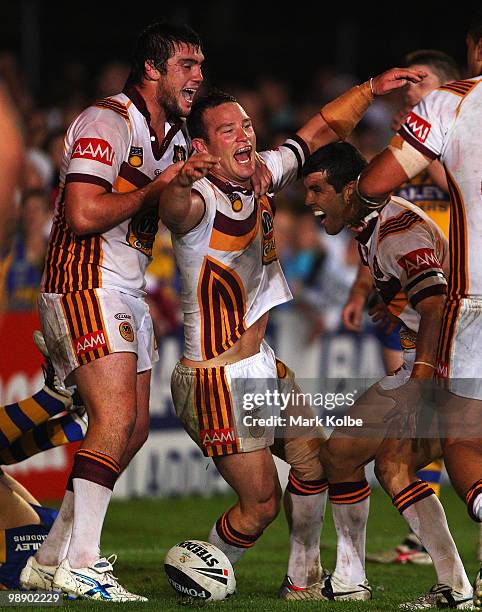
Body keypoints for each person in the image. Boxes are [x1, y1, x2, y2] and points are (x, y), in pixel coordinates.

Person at [158, 64, 426, 600]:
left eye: (247, 125)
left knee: (319, 458)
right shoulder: (200, 198)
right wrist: (179, 179)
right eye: (228, 130)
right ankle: (200, 569)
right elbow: (175, 210)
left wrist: (371, 88)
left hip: (262, 366)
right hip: (215, 379)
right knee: (259, 504)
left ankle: (301, 579)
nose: (244, 135)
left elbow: (320, 130)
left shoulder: (262, 173)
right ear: (202, 145)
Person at [19, 22, 205, 602]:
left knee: (135, 429)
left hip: (126, 289)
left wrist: (192, 184)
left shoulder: (172, 137)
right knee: (114, 419)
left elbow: (172, 215)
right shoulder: (107, 121)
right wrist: (157, 189)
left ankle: (49, 561)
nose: (198, 75)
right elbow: (79, 213)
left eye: (201, 65)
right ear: (152, 68)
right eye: (186, 64)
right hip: (83, 282)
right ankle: (83, 561)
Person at [302, 141, 472, 607]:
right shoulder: (373, 223)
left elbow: (436, 305)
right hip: (436, 359)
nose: (310, 201)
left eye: (318, 190)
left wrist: (420, 382)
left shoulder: (396, 228)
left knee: (396, 466)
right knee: (339, 453)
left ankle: (454, 586)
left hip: (447, 367)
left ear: (350, 189)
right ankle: (351, 578)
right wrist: (390, 304)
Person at [356, 10, 482, 608]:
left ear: (473, 48)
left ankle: (452, 583)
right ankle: (459, 583)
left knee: (459, 439)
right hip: (428, 298)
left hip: (469, 297)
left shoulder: (448, 107)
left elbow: (377, 183)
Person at [344, 49, 461, 566]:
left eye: (422, 84)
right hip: (412, 300)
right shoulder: (402, 152)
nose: (411, 94)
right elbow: (374, 224)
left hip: (457, 301)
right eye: (408, 86)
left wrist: (424, 146)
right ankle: (430, 549)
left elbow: (453, 196)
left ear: (452, 87)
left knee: (444, 431)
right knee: (412, 430)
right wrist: (361, 290)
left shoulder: (455, 142)